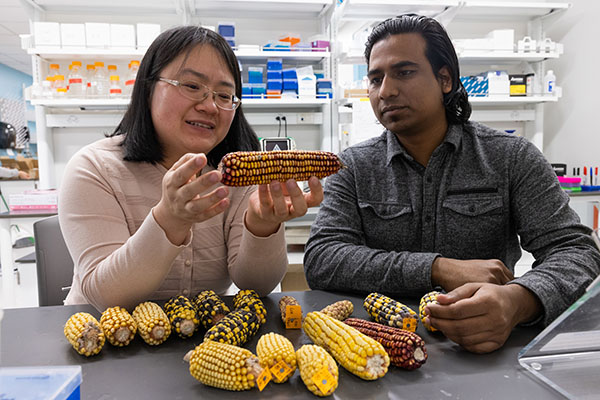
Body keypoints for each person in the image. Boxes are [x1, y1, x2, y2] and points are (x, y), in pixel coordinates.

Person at [304, 14, 600, 354]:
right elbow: (323, 258)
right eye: (375, 78)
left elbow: (576, 253)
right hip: (373, 351)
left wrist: (519, 300)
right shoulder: (353, 166)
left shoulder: (510, 158)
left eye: (404, 72)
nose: (386, 91)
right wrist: (436, 268)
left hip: (484, 350)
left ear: (445, 79)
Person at [59, 26, 323, 312]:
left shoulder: (233, 174)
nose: (210, 106)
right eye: (192, 86)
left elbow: (256, 286)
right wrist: (168, 219)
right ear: (149, 89)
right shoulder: (93, 169)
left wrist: (262, 226)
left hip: (201, 342)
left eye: (224, 95)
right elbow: (106, 297)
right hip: (100, 343)